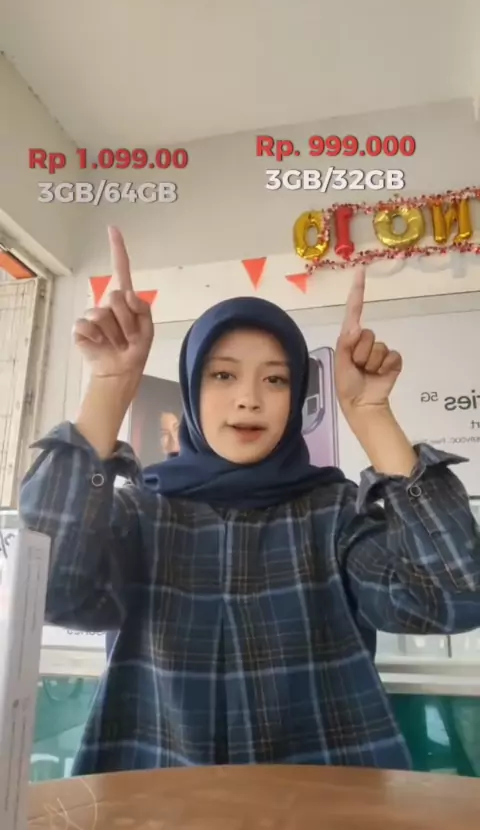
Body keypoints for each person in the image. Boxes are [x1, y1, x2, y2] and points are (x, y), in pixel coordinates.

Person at [19, 226, 480, 777]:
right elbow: (50, 592)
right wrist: (110, 386)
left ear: (298, 396)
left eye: (277, 380)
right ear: (192, 390)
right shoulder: (142, 513)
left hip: (326, 804)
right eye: (222, 375)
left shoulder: (332, 515)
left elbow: (453, 599)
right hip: (156, 800)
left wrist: (372, 414)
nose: (248, 398)